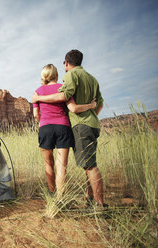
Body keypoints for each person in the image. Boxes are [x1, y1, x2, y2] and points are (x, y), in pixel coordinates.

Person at [32, 50, 106, 208]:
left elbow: (38, 114)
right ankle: (62, 199)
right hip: (67, 127)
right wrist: (92, 110)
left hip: (48, 127)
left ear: (66, 63)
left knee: (50, 165)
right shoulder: (85, 81)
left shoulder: (40, 91)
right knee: (63, 166)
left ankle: (53, 195)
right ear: (56, 74)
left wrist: (40, 105)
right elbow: (94, 103)